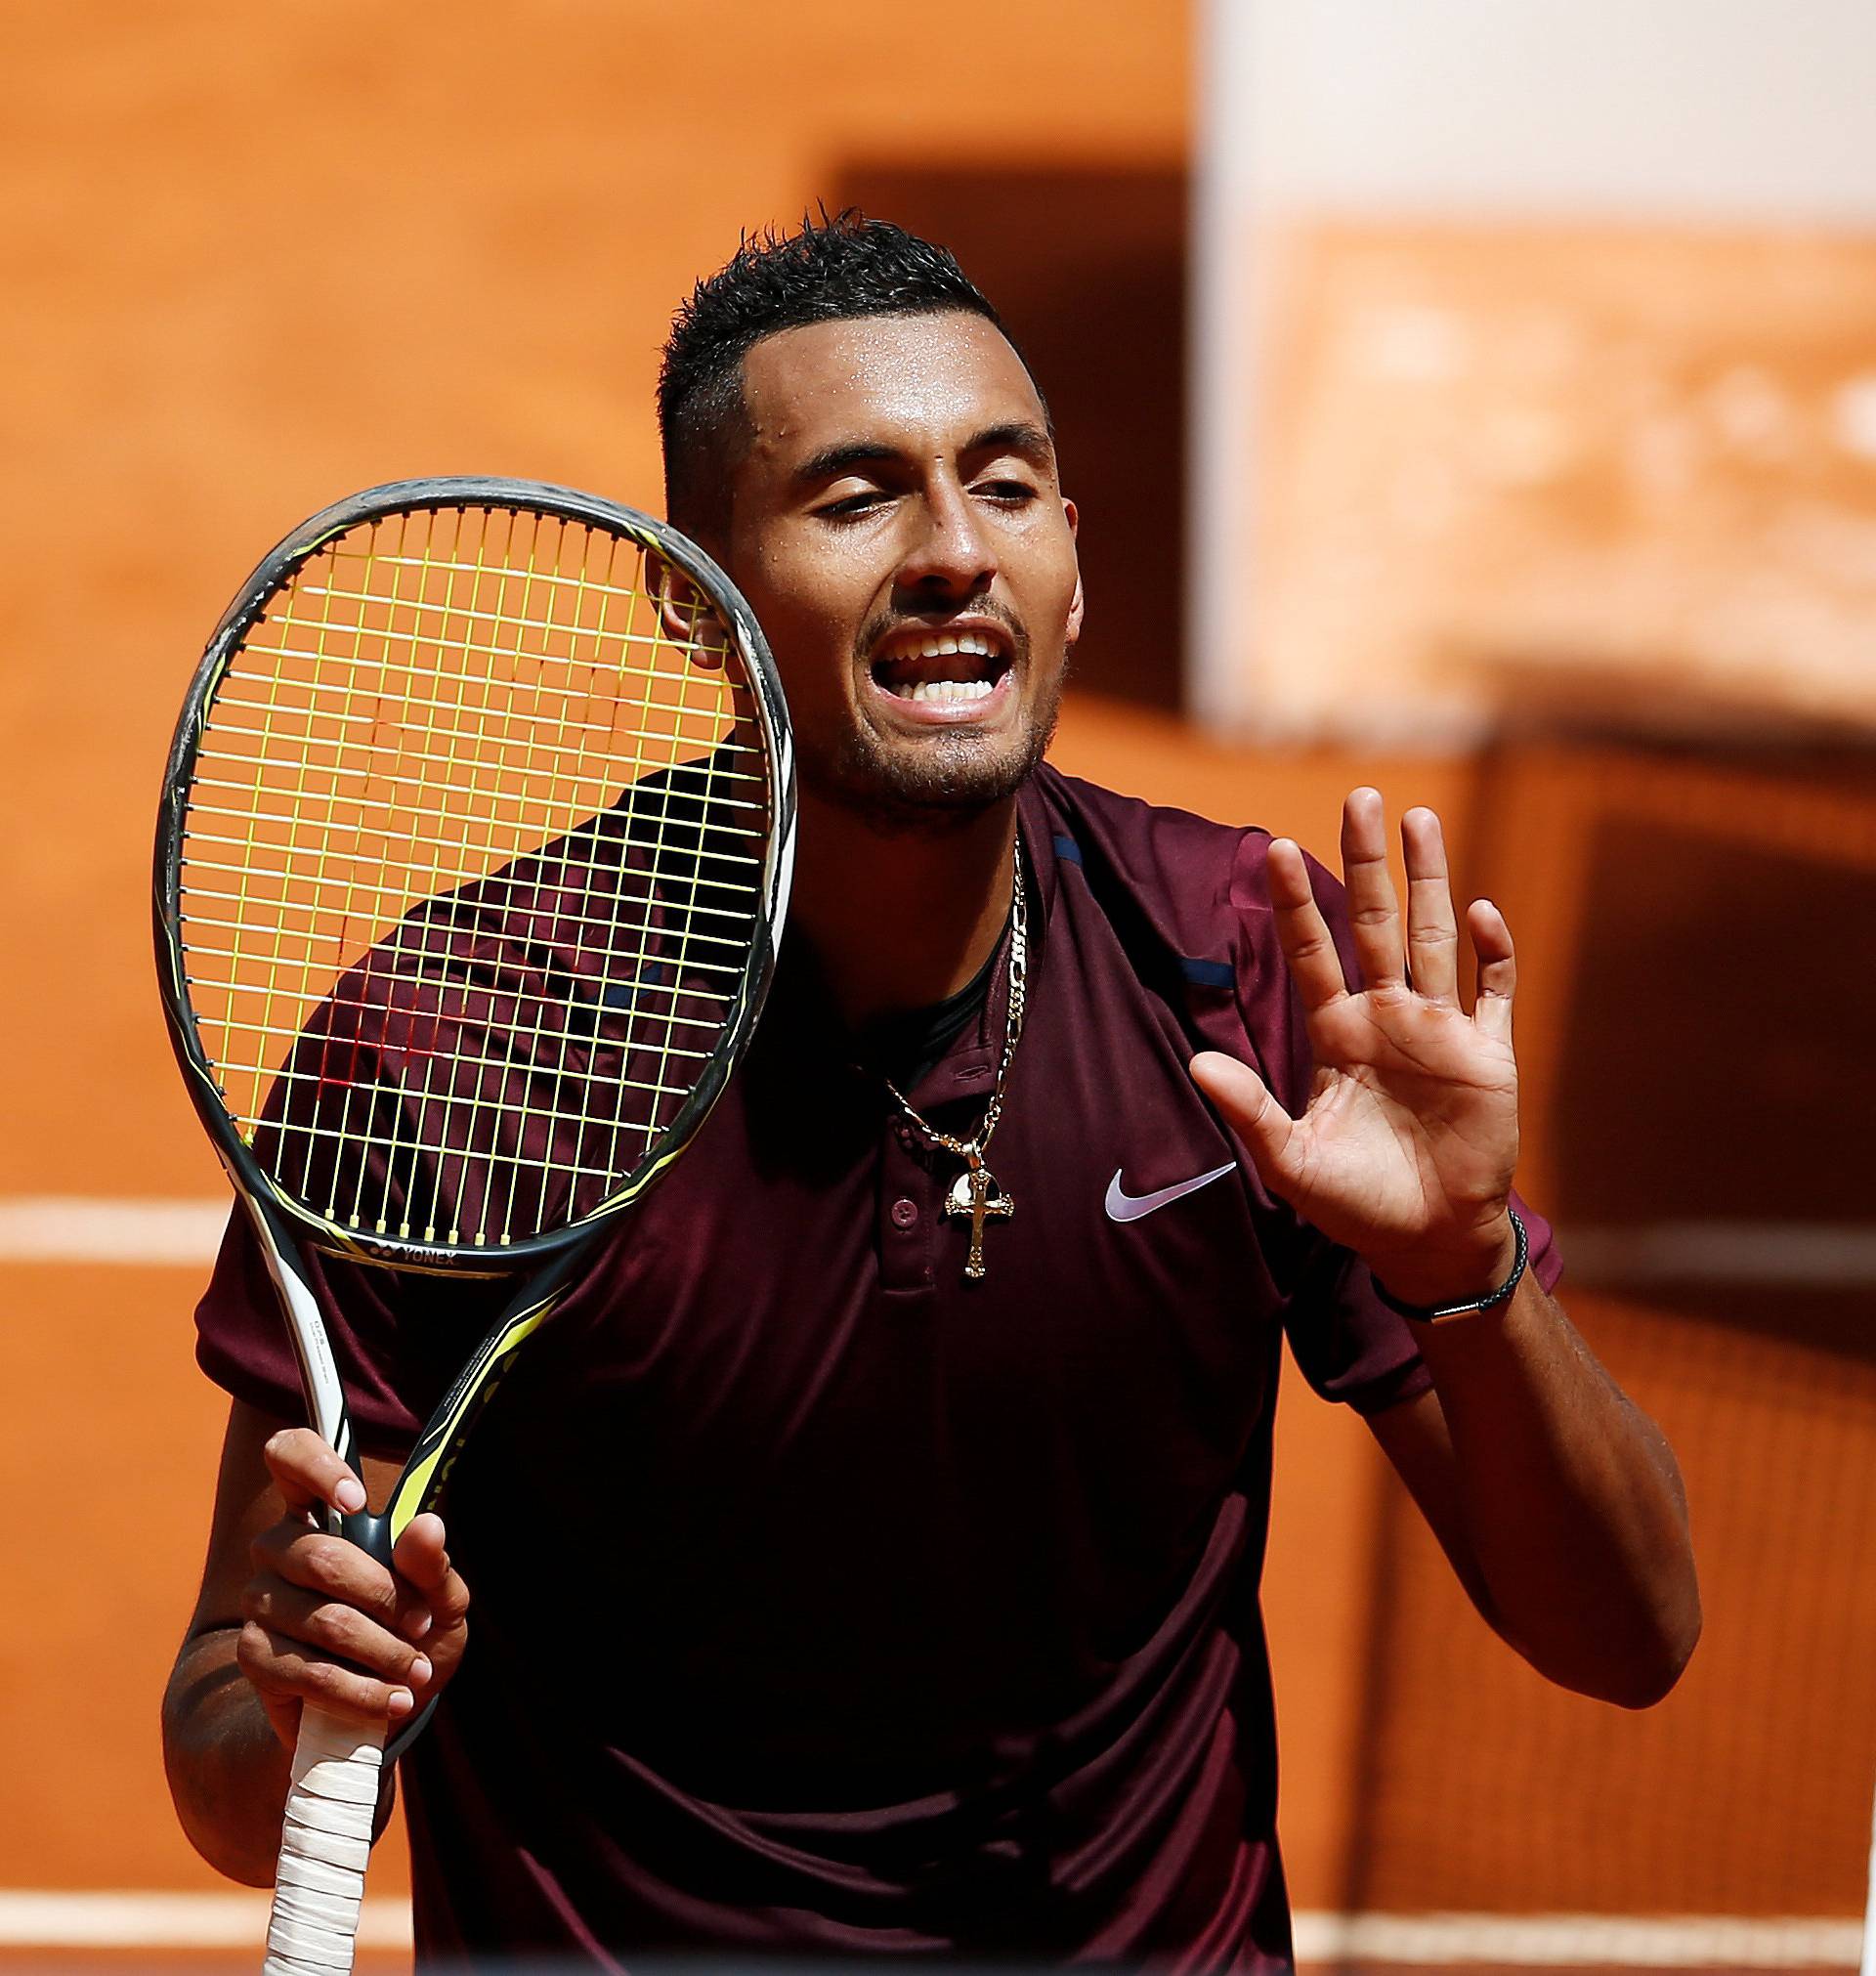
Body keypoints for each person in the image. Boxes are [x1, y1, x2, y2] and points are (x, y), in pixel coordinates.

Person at [163, 214, 1699, 1971]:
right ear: (698, 588)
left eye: (1009, 486)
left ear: (1074, 558)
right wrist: (300, 1695)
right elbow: (220, 1757)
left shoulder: (1236, 969)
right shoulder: (467, 1050)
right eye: (857, 496)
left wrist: (1467, 1266)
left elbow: (1631, 1631)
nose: (955, 552)